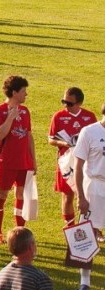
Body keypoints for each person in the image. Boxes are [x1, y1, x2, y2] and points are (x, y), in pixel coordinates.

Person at [0, 76, 36, 245]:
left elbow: (29, 136)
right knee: (1, 194)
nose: (26, 94)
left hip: (24, 162)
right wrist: (10, 117)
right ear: (14, 92)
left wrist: (33, 160)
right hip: (6, 162)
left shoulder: (25, 111)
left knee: (21, 194)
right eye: (23, 91)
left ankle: (20, 231)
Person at [49, 87, 96, 226]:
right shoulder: (58, 116)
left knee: (89, 194)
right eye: (64, 102)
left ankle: (94, 228)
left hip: (86, 162)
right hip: (66, 163)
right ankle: (71, 228)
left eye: (69, 103)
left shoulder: (90, 116)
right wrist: (64, 143)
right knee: (67, 195)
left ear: (79, 103)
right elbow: (51, 139)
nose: (65, 106)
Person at [72, 101, 105, 290]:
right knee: (86, 234)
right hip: (94, 186)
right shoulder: (89, 132)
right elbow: (78, 166)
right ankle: (85, 282)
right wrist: (80, 196)